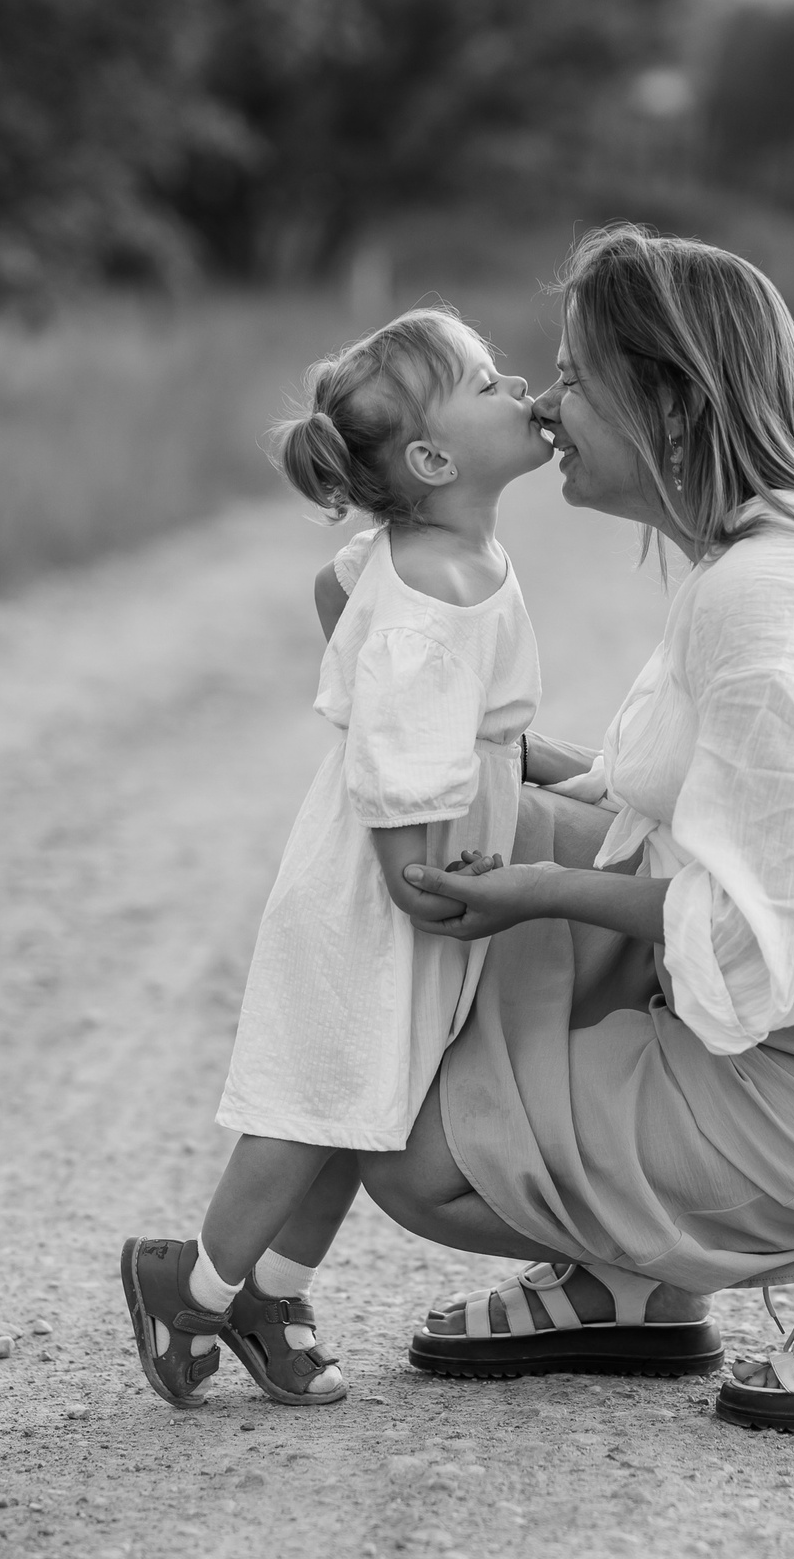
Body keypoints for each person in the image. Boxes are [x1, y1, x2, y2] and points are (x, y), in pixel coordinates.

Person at [358, 225, 794, 1432]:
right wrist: (490, 759)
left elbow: (760, 922)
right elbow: (713, 804)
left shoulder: (766, 602)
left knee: (413, 1160)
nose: (542, 398)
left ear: (668, 402)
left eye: (574, 374)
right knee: (510, 806)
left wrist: (535, 888)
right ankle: (632, 1284)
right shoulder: (786, 546)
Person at [119, 305, 550, 1409]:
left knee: (367, 1100)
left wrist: (526, 762)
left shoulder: (444, 557)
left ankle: (271, 1286)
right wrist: (422, 882)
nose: (521, 389)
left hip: (415, 871)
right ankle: (191, 1283)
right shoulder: (433, 594)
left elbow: (342, 598)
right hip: (383, 885)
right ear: (434, 458)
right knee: (314, 1099)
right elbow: (404, 770)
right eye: (490, 382)